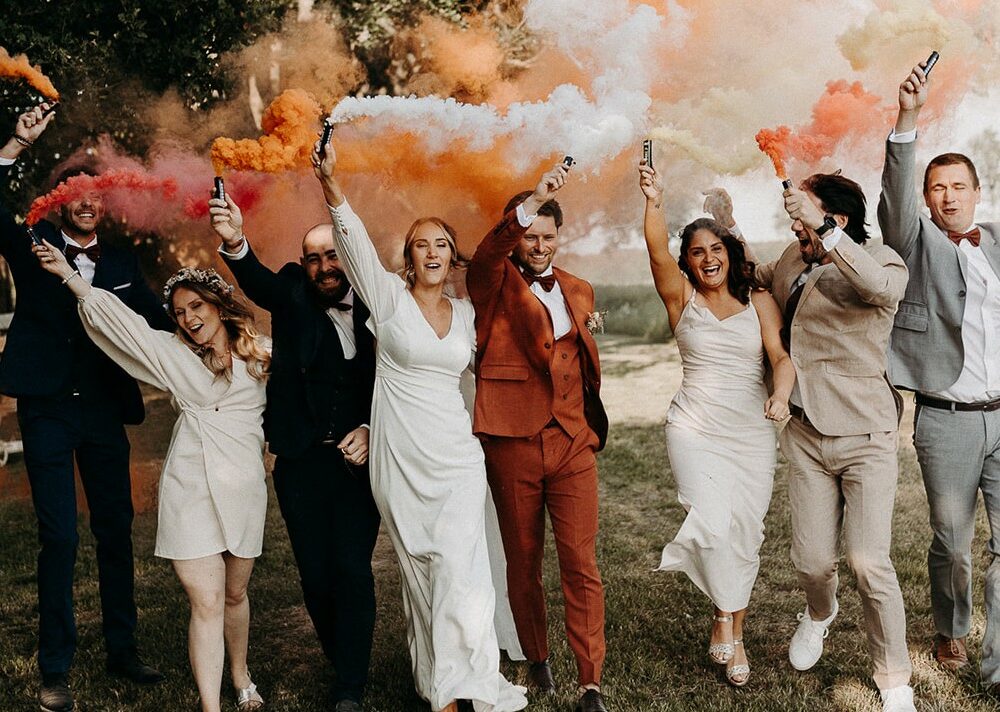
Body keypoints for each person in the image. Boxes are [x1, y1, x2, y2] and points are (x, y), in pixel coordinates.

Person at [312, 138, 528, 712]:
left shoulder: (466, 315)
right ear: (408, 258)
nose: (431, 252)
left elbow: (503, 362)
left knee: (463, 567)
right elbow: (352, 242)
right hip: (400, 456)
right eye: (420, 245)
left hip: (456, 455)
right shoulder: (385, 299)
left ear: (452, 256)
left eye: (441, 244)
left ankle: (465, 685)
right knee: (421, 571)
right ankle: (439, 683)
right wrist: (331, 184)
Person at [33, 240, 271, 712]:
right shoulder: (171, 354)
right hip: (190, 487)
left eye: (196, 306)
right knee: (204, 601)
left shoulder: (262, 356)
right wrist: (69, 276)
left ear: (219, 307)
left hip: (243, 487)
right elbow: (124, 324)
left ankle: (241, 674)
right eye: (179, 312)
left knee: (234, 592)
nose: (187, 318)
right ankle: (211, 706)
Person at [0, 104, 169, 712]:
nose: (87, 200)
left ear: (107, 203)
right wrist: (13, 146)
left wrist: (209, 330)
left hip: (102, 410)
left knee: (115, 529)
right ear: (61, 199)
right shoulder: (31, 245)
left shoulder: (122, 263)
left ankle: (123, 650)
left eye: (98, 191)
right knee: (59, 536)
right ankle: (55, 668)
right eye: (77, 190)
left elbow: (156, 319)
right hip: (46, 407)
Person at [747, 173, 913, 712]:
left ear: (837, 219)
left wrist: (822, 229)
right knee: (813, 562)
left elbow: (878, 290)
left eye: (807, 217)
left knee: (870, 563)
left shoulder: (882, 260)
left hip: (866, 434)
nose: (796, 226)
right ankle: (820, 612)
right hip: (805, 432)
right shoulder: (796, 258)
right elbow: (752, 275)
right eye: (795, 218)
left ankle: (895, 682)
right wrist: (724, 227)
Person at [209, 187, 379, 712]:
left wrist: (373, 428)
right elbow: (255, 277)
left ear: (348, 257)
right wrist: (235, 239)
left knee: (351, 568)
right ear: (303, 265)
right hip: (301, 462)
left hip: (359, 464)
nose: (324, 267)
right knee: (315, 574)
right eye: (314, 258)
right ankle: (340, 657)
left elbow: (398, 382)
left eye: (333, 256)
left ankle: (349, 683)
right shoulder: (292, 293)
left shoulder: (380, 303)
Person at [638, 162, 794, 687]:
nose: (708, 259)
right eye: (697, 252)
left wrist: (781, 395)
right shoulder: (680, 299)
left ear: (731, 254)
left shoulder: (761, 302)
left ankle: (732, 624)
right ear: (688, 261)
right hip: (694, 428)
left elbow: (781, 359)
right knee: (709, 520)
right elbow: (657, 252)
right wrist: (654, 200)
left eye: (716, 249)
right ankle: (725, 611)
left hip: (751, 432)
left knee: (745, 531)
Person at [468, 161, 611, 712]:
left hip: (573, 440)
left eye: (548, 235)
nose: (539, 244)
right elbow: (485, 254)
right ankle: (536, 655)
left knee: (580, 560)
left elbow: (576, 358)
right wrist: (529, 204)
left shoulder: (579, 288)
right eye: (529, 234)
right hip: (512, 440)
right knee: (522, 557)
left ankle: (591, 681)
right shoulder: (492, 280)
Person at [879, 60, 1000, 685]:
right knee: (953, 543)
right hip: (948, 420)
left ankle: (996, 662)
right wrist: (908, 117)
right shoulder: (915, 240)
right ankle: (951, 628)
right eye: (937, 188)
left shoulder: (996, 242)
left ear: (977, 191)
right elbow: (895, 202)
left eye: (958, 186)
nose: (948, 196)